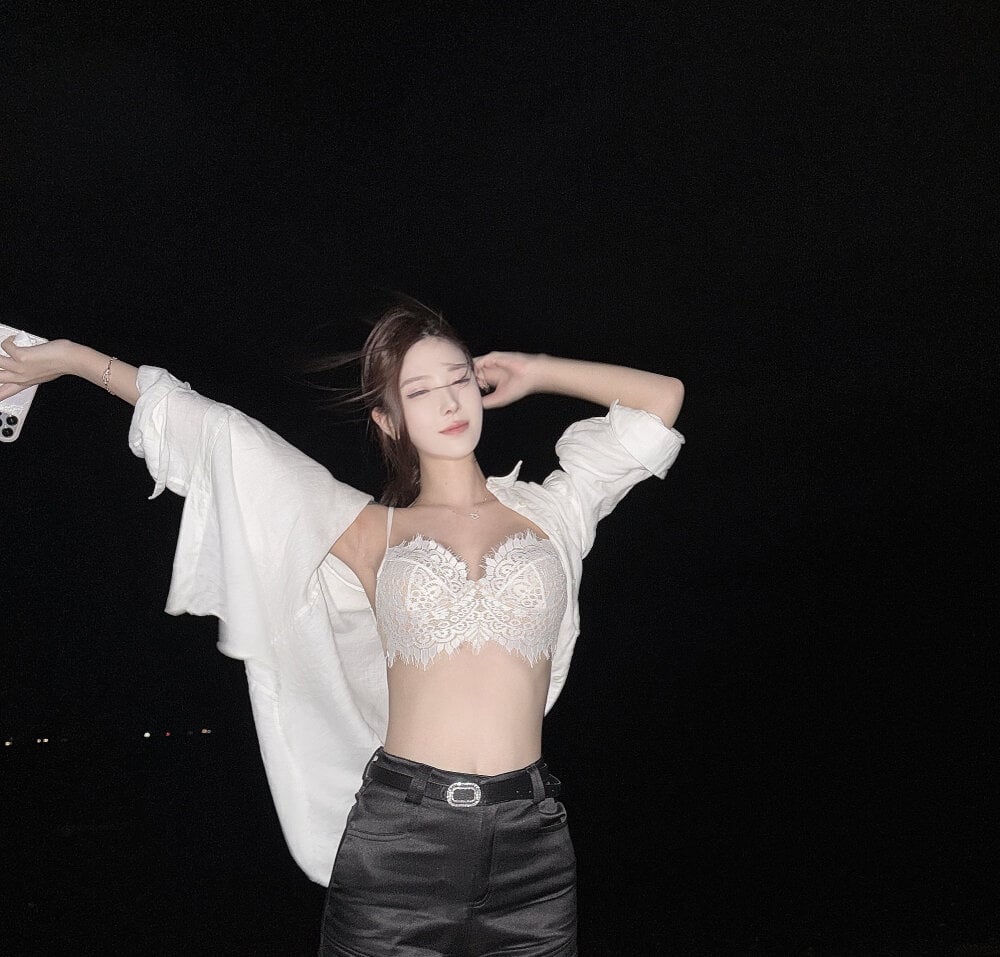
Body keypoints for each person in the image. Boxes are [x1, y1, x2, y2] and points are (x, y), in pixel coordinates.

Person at [0, 297, 685, 957]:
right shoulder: (370, 532)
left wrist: (536, 370)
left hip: (532, 847)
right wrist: (71, 359)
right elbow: (218, 433)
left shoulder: (552, 515)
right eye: (419, 391)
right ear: (388, 420)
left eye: (458, 379)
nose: (449, 402)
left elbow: (662, 401)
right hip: (401, 841)